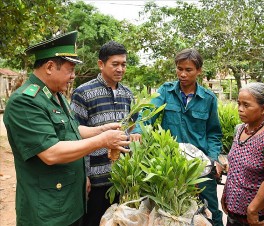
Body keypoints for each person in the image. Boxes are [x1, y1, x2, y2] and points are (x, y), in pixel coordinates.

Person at [3, 31, 130, 226]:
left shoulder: (56, 95)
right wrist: (103, 141)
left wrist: (101, 130)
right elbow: (50, 153)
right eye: (70, 70)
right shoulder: (25, 102)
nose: (73, 76)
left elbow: (71, 131)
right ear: (50, 67)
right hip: (48, 209)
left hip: (70, 201)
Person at [131, 48, 224, 226]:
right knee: (169, 212)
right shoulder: (166, 91)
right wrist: (138, 131)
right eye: (179, 69)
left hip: (200, 166)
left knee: (211, 211)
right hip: (170, 164)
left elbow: (213, 132)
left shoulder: (208, 98)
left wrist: (214, 159)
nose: (182, 74)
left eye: (188, 70)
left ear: (199, 71)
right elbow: (148, 113)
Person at [70, 40, 137, 226]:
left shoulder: (128, 94)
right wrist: (84, 175)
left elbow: (134, 125)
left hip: (122, 178)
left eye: (124, 64)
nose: (120, 69)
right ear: (101, 64)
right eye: (115, 64)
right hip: (96, 179)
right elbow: (74, 133)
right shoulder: (83, 93)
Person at [221, 83, 264, 226]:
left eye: (246, 105)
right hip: (233, 213)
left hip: (254, 218)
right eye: (239, 104)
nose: (240, 109)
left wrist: (252, 210)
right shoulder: (240, 129)